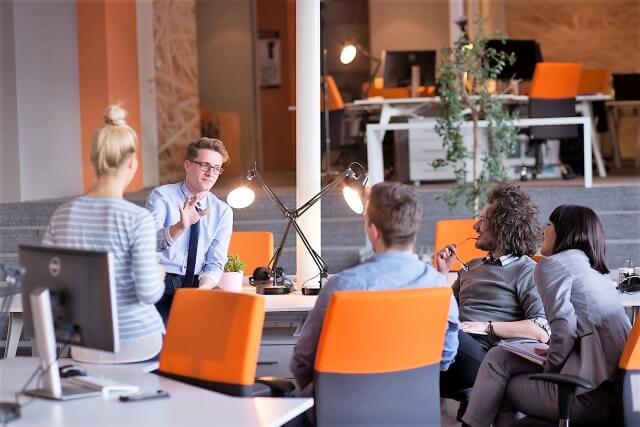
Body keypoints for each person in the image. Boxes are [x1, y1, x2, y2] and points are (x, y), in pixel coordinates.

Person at [462, 205, 631, 427]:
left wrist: (549, 369)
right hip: (616, 390)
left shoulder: (553, 266)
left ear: (565, 231)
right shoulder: (593, 271)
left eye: (549, 225)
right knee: (499, 357)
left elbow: (564, 329)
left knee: (500, 387)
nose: (543, 231)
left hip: (586, 391)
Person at [290, 181, 459, 397]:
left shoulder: (342, 287)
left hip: (341, 411)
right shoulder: (439, 288)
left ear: (373, 231)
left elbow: (301, 363)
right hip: (412, 411)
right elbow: (445, 359)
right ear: (414, 228)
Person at [42, 105, 164, 363]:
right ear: (133, 162)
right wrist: (159, 272)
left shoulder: (62, 215)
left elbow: (47, 281)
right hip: (138, 343)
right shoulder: (137, 219)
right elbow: (149, 293)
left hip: (85, 344)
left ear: (94, 161)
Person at [437, 183, 550, 399]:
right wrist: (442, 273)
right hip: (454, 345)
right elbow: (442, 311)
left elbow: (541, 329)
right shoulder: (471, 266)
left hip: (484, 355)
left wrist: (487, 326)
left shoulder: (526, 270)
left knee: (446, 334)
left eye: (483, 220)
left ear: (502, 226)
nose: (475, 227)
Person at [146, 137, 233, 323]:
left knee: (228, 322)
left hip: (198, 283)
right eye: (204, 165)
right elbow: (148, 244)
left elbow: (215, 262)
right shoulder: (162, 196)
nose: (211, 173)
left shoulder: (222, 211)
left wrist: (202, 291)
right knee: (164, 339)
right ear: (187, 165)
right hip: (164, 283)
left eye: (216, 168)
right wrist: (180, 227)